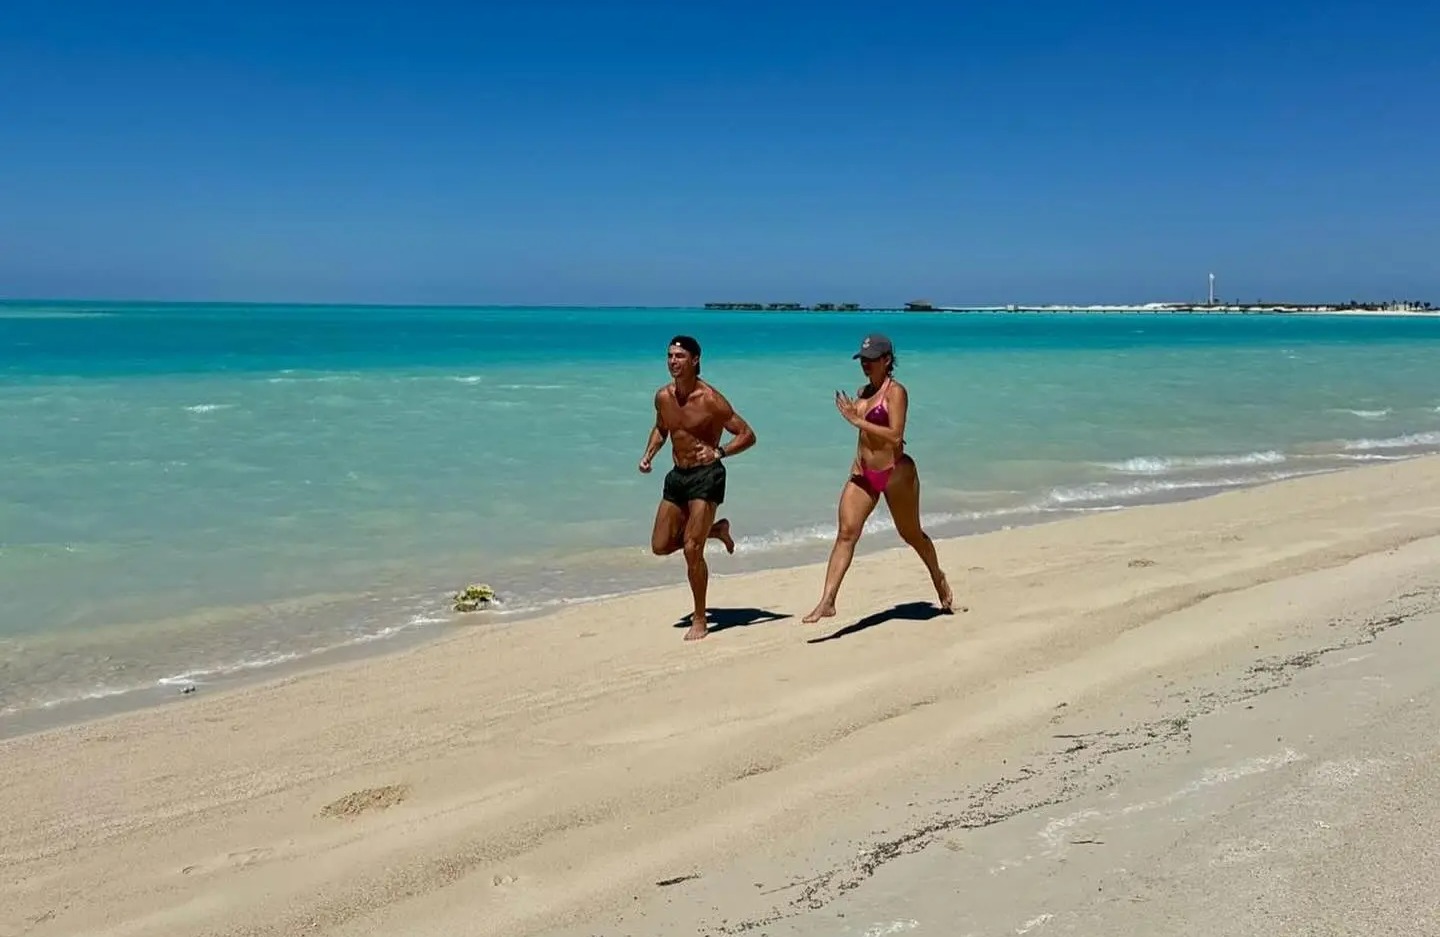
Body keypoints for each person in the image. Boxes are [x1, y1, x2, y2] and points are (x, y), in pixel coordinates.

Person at [803, 332, 953, 624]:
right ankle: (827, 601)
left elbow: (896, 435)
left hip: (896, 473)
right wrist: (858, 450)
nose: (866, 365)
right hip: (863, 474)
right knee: (846, 534)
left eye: (872, 360)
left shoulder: (896, 392)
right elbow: (863, 438)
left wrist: (857, 420)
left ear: (887, 360)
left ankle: (938, 576)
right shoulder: (862, 393)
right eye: (863, 360)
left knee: (911, 535)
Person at [640, 335, 757, 641]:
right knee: (660, 545)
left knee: (692, 549)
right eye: (669, 356)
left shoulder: (711, 400)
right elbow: (662, 428)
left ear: (694, 360)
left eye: (679, 356)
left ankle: (701, 618)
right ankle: (716, 530)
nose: (673, 362)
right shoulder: (663, 397)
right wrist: (649, 455)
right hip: (678, 475)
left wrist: (719, 452)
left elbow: (747, 434)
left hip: (707, 475)